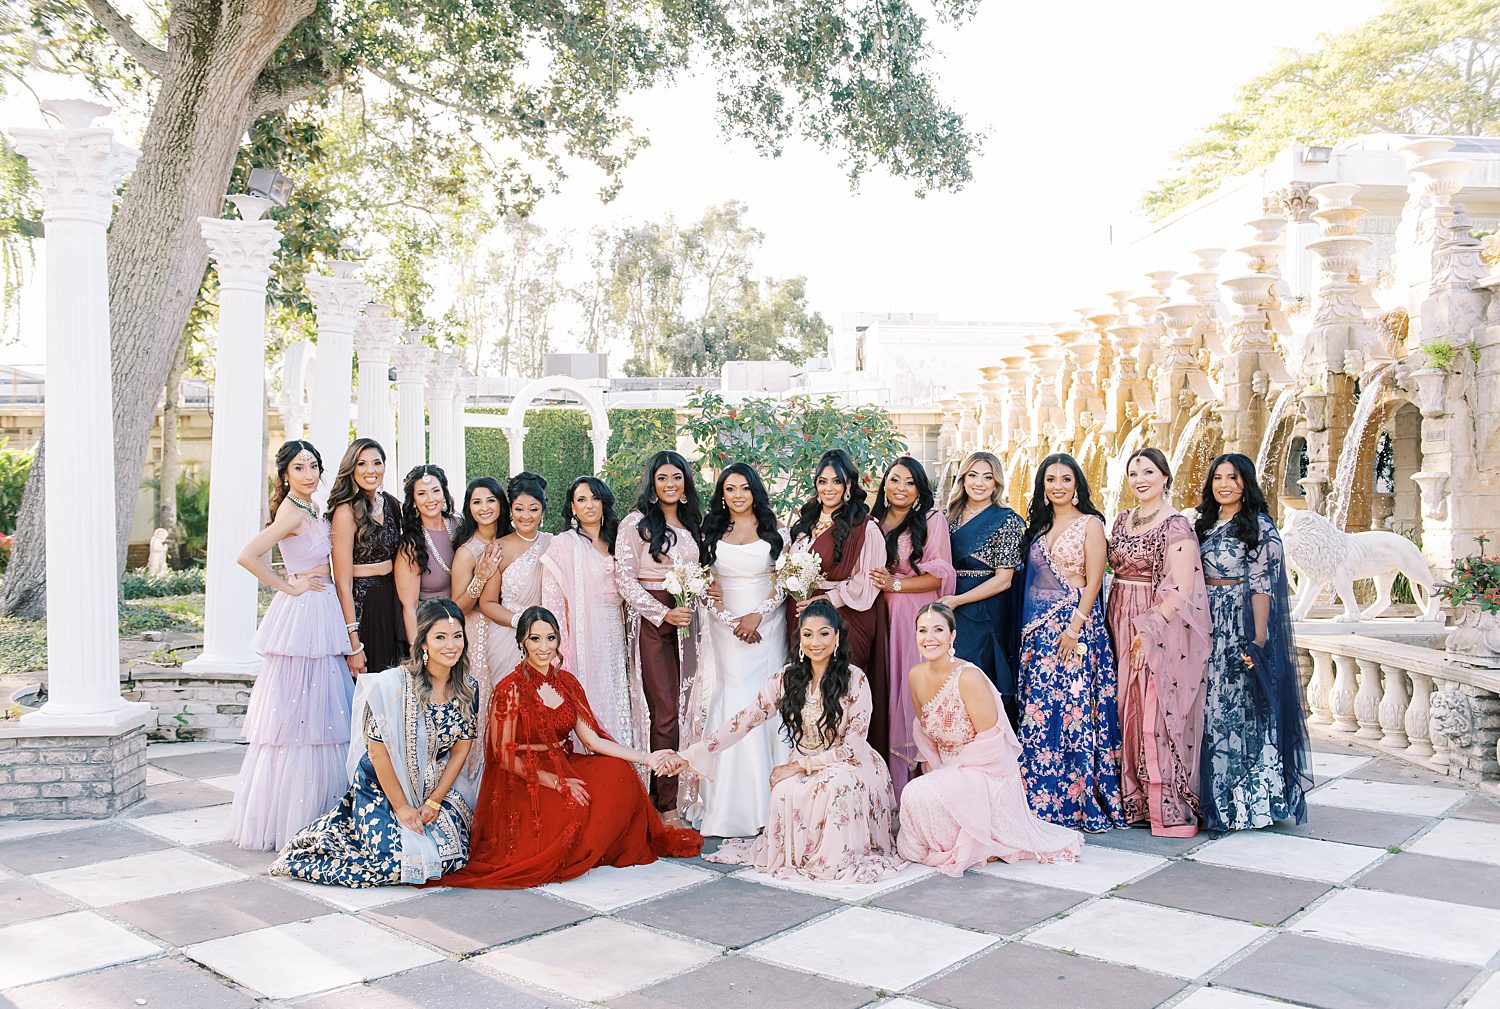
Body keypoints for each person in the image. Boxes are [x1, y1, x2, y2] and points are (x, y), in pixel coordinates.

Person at [441, 607, 702, 888]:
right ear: (522, 643)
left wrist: (646, 758)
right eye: (535, 639)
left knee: (618, 771)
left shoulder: (566, 683)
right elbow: (503, 756)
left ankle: (600, 847)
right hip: (527, 777)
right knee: (570, 812)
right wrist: (557, 782)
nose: (544, 648)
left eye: (550, 638)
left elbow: (592, 741)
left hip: (564, 762)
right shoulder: (510, 689)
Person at [668, 600, 905, 883]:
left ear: (837, 637)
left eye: (824, 633)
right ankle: (802, 856)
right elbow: (746, 719)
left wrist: (801, 766)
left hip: (851, 764)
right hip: (804, 761)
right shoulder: (788, 677)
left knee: (834, 787)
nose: (815, 642)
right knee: (783, 789)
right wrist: (693, 754)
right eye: (808, 634)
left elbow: (854, 746)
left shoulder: (855, 680)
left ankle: (831, 860)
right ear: (800, 638)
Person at [272, 598, 478, 887]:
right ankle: (327, 842)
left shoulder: (468, 688)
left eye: (457, 636)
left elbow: (460, 750)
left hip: (435, 787)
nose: (451, 645)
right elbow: (377, 754)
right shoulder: (391, 687)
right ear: (423, 643)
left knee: (451, 859)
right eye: (440, 637)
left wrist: (434, 800)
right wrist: (403, 807)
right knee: (392, 864)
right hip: (383, 785)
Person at [228, 441, 354, 850]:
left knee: (325, 712)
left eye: (314, 466)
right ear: (285, 475)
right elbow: (248, 555)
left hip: (323, 606)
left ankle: (323, 809)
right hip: (304, 611)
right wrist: (289, 585)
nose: (309, 474)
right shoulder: (290, 511)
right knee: (300, 714)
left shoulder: (312, 507)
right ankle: (293, 817)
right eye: (300, 468)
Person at [898, 603, 1083, 874]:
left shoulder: (969, 677)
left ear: (952, 636)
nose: (929, 638)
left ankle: (984, 842)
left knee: (918, 792)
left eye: (938, 630)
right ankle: (953, 840)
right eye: (922, 631)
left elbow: (992, 744)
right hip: (949, 770)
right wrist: (938, 772)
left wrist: (952, 774)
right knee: (917, 795)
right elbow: (926, 732)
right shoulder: (916, 675)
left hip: (986, 773)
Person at [1195, 453, 1311, 831]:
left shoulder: (1260, 528)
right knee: (1209, 710)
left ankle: (1246, 803)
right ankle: (1211, 794)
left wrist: (1258, 640)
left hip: (1238, 624)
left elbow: (1263, 587)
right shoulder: (1205, 524)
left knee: (1238, 710)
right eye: (1218, 478)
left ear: (1247, 482)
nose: (1224, 484)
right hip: (1205, 620)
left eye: (1233, 477)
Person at [680, 463, 791, 836]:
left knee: (766, 698)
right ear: (722, 495)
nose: (738, 495)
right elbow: (701, 585)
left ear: (754, 491)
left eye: (745, 488)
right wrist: (730, 620)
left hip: (767, 627)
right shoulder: (709, 533)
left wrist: (756, 617)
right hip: (726, 630)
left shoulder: (776, 532)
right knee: (733, 697)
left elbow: (786, 583)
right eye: (730, 489)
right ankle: (727, 803)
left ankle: (770, 802)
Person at [1018, 453, 1126, 833]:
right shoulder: (1040, 528)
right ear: (1043, 487)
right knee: (1039, 710)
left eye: (1065, 478)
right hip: (1039, 633)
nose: (1058, 485)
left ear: (1077, 484)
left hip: (1074, 630)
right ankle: (1040, 794)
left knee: (1074, 708)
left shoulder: (1090, 525)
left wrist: (1075, 627)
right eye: (1050, 479)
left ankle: (1077, 797)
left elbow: (1095, 580)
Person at [1105, 448, 1210, 837]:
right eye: (1133, 472)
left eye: (1148, 471)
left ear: (1165, 476)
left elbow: (1181, 589)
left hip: (1154, 624)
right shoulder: (1121, 520)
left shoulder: (1176, 526)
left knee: (1150, 707)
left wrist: (1147, 630)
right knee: (1121, 704)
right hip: (1116, 614)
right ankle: (1129, 799)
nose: (1139, 478)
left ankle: (1163, 804)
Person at [615, 450, 704, 820]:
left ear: (685, 484)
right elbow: (624, 578)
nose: (670, 484)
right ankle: (664, 805)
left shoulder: (692, 525)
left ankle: (686, 797)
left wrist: (700, 595)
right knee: (664, 712)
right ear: (652, 484)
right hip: (652, 623)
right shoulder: (636, 524)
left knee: (690, 709)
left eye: (677, 478)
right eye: (663, 478)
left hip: (689, 623)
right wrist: (661, 612)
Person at [786, 449, 889, 761]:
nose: (828, 488)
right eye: (822, 481)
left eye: (836, 481)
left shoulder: (865, 528)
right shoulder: (804, 525)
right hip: (805, 617)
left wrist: (828, 599)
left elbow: (869, 581)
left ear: (848, 486)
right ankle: (811, 761)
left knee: (842, 694)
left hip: (847, 618)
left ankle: (846, 765)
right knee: (810, 695)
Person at [540, 476, 648, 750]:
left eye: (595, 498)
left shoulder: (619, 540)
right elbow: (552, 603)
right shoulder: (564, 544)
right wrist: (560, 649)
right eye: (581, 500)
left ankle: (622, 769)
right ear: (572, 508)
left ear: (604, 502)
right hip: (582, 636)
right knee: (590, 698)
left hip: (617, 631)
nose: (589, 505)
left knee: (619, 696)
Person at [871, 455, 955, 795]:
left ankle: (922, 786)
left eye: (909, 482)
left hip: (913, 614)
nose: (901, 488)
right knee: (885, 687)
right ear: (884, 484)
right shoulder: (872, 520)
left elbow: (940, 574)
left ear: (920, 488)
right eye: (894, 480)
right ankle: (887, 786)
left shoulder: (931, 520)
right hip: (878, 613)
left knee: (913, 690)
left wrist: (894, 584)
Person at [937, 451, 1026, 725]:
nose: (979, 483)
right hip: (948, 604)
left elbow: (1004, 579)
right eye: (973, 475)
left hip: (985, 608)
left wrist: (958, 600)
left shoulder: (1007, 520)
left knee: (981, 677)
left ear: (996, 483)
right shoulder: (946, 516)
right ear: (963, 479)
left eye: (988, 477)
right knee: (949, 678)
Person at [328, 438, 405, 676]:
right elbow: (342, 581)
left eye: (377, 463)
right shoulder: (345, 511)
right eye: (362, 464)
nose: (371, 470)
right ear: (351, 468)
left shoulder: (391, 504)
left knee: (393, 687)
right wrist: (353, 643)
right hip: (363, 608)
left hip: (392, 603)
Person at [449, 477, 509, 768]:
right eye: (476, 502)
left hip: (509, 635)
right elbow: (457, 608)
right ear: (469, 508)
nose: (484, 507)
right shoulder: (466, 551)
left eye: (490, 500)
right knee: (483, 704)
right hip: (479, 637)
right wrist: (481, 577)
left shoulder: (510, 542)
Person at [480, 472, 555, 676]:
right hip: (507, 637)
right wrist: (519, 621)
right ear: (511, 511)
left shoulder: (554, 545)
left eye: (533, 509)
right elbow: (487, 603)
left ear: (542, 511)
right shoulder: (498, 548)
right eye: (519, 509)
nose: (526, 516)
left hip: (545, 639)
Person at [394, 465, 458, 645]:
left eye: (435, 491)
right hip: (431, 630)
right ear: (413, 500)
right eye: (422, 493)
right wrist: (418, 651)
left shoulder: (458, 525)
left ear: (444, 494)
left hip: (464, 623)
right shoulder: (411, 545)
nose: (430, 499)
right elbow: (409, 607)